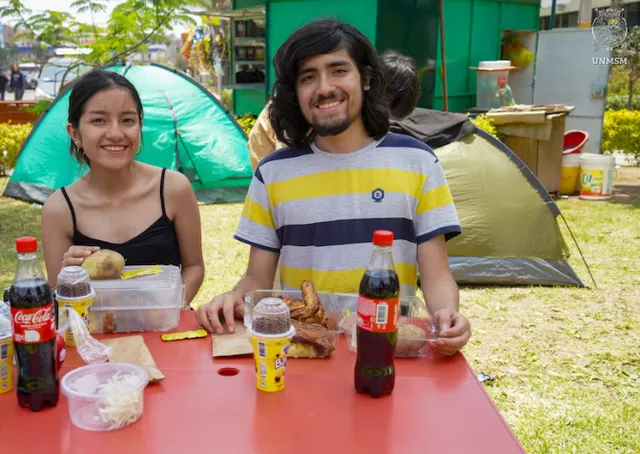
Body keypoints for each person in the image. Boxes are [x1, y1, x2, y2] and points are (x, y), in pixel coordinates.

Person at [197, 19, 471, 357]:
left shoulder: (418, 162)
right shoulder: (273, 173)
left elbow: (437, 275)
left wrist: (446, 316)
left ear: (366, 79)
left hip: (387, 350)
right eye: (308, 77)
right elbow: (257, 279)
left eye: (338, 70)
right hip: (306, 350)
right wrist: (233, 297)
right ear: (294, 93)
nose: (324, 87)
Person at [41, 70, 205, 304]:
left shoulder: (173, 189)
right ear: (75, 134)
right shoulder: (59, 209)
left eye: (127, 120)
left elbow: (194, 267)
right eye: (99, 120)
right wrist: (66, 277)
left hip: (163, 330)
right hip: (96, 333)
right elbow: (58, 294)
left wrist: (168, 310)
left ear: (139, 127)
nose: (116, 134)